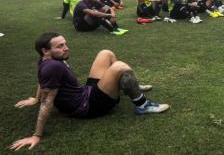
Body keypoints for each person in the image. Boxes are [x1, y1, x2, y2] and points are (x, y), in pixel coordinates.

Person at [9, 33, 169, 151]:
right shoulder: (52, 67)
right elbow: (48, 101)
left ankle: (130, 85)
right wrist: (36, 135)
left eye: (65, 44)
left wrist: (35, 99)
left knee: (106, 53)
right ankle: (143, 105)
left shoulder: (46, 60)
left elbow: (42, 83)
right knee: (119, 66)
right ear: (45, 51)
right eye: (60, 46)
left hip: (85, 93)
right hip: (88, 107)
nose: (66, 48)